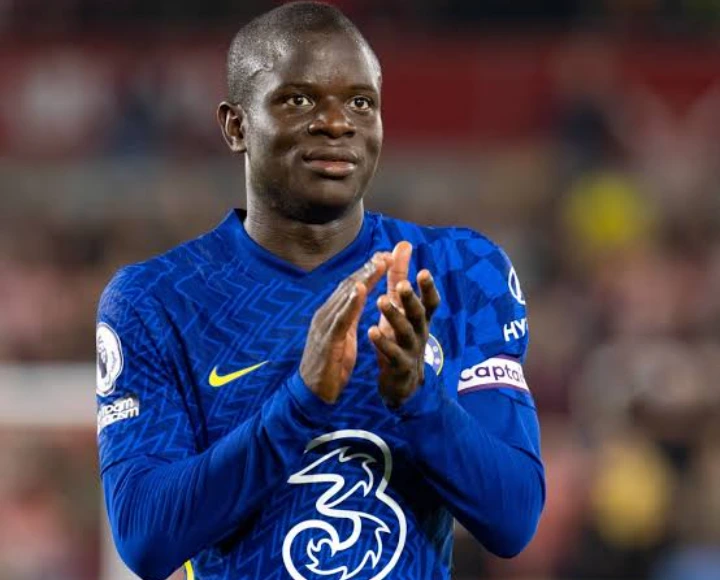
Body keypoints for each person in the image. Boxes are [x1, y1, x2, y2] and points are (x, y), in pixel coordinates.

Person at [95, 2, 545, 579]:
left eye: (360, 103)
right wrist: (301, 402)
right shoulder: (158, 299)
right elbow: (144, 538)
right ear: (236, 126)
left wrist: (418, 397)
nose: (336, 123)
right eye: (298, 100)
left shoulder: (460, 270)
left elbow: (513, 519)